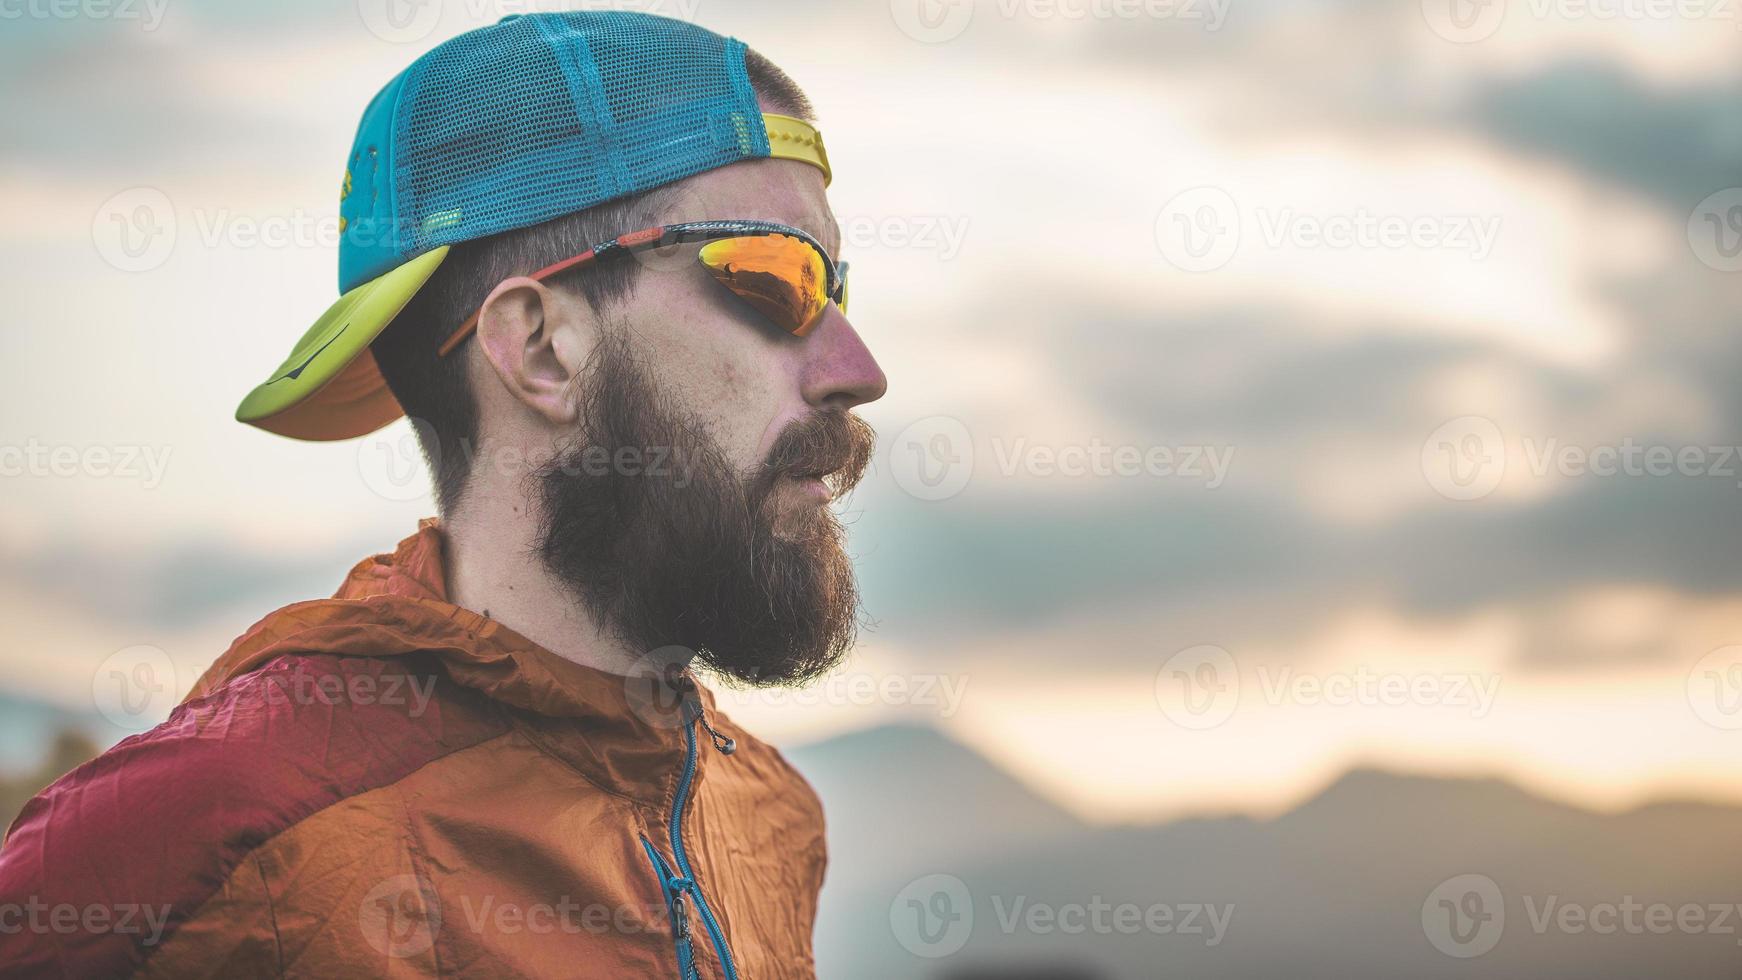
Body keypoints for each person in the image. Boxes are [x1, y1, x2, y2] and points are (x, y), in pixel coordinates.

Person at [0, 12, 886, 978]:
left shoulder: (769, 815)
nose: (857, 368)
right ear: (542, 347)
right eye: (778, 282)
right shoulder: (216, 833)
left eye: (838, 287)